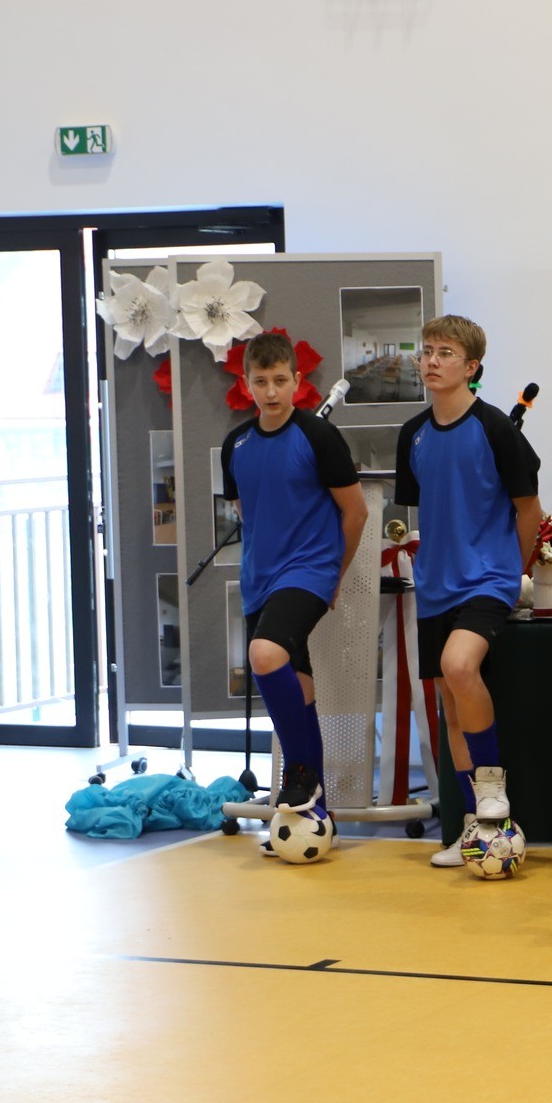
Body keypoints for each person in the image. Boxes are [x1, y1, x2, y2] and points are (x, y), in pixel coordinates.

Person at [392, 315, 543, 869]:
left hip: (487, 581)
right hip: (435, 583)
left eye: (446, 353)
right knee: (450, 708)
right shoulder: (413, 434)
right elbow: (425, 507)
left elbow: (530, 510)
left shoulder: (496, 429)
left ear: (472, 366)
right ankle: (477, 828)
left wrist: (512, 573)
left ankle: (492, 787)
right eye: (427, 351)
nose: (431, 361)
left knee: (460, 665)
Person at [221, 332, 368, 852]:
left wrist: (334, 575)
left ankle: (299, 773)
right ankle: (315, 816)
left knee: (264, 654)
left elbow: (356, 512)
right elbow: (247, 512)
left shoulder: (318, 436)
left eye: (280, 380)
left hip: (310, 571)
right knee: (299, 686)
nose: (271, 391)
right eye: (260, 382)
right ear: (247, 385)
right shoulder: (235, 445)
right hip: (260, 579)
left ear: (297, 381)